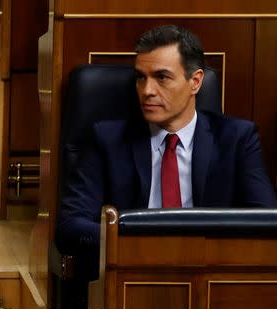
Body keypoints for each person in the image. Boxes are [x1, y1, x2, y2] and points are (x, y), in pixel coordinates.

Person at [57, 25, 277, 254]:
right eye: (141, 78)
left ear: (195, 81)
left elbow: (265, 223)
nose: (147, 91)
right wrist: (143, 245)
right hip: (131, 271)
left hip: (209, 272)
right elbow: (70, 227)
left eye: (162, 77)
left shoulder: (237, 139)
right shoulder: (106, 140)